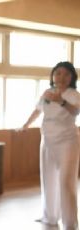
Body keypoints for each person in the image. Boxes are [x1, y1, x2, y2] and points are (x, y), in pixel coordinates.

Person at [21, 61, 80, 230]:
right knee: (48, 180)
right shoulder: (47, 93)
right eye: (58, 73)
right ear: (53, 75)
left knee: (66, 183)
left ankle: (70, 223)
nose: (62, 77)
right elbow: (38, 110)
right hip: (47, 141)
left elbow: (76, 111)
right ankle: (50, 217)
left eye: (67, 74)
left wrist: (61, 101)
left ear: (72, 78)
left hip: (68, 142)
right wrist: (26, 124)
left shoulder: (74, 94)